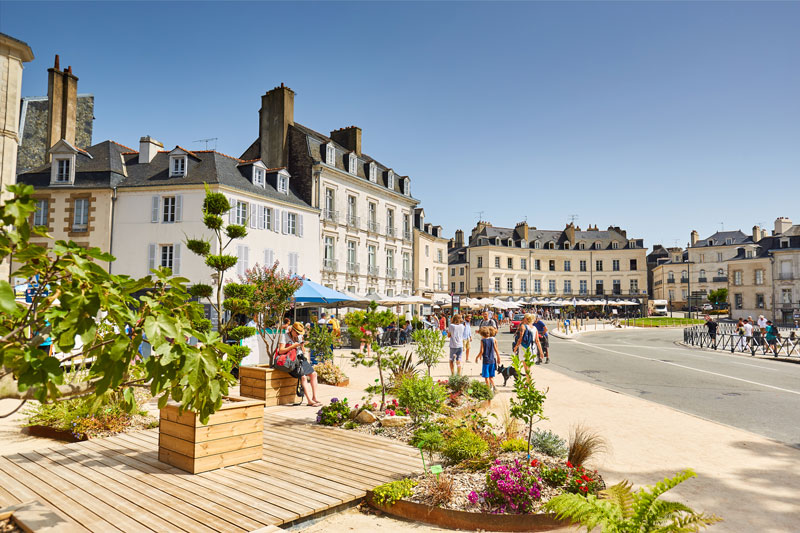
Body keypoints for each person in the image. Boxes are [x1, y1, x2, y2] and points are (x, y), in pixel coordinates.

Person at [275, 322, 321, 406]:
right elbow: (281, 351)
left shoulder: (299, 337)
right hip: (290, 361)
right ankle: (309, 400)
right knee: (303, 377)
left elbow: (303, 351)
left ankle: (314, 397)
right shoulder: (284, 336)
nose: (298, 334)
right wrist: (292, 346)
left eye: (299, 333)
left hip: (300, 358)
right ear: (292, 330)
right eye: (297, 332)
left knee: (314, 374)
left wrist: (302, 346)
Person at [476, 326, 500, 392]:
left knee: (486, 377)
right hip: (492, 360)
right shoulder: (492, 340)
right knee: (491, 377)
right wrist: (498, 357)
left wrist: (477, 357)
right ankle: (494, 387)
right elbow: (496, 349)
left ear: (482, 334)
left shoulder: (482, 341)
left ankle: (488, 390)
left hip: (486, 361)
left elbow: (482, 351)